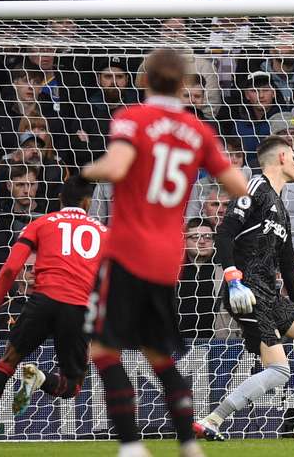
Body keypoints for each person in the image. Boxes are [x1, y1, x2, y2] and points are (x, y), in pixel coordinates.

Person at [80, 49, 250, 457]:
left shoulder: (131, 118)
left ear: (143, 82)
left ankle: (131, 444)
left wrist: (84, 173)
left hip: (127, 249)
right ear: (182, 85)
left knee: (103, 349)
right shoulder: (198, 130)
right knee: (159, 353)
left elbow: (118, 166)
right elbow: (239, 187)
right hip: (168, 256)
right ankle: (189, 443)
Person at [194, 136, 294, 441]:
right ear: (281, 159)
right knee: (280, 371)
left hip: (269, 293)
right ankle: (212, 419)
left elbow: (288, 267)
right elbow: (224, 234)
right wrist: (232, 278)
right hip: (246, 291)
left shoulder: (282, 209)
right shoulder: (255, 189)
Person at [0, 177, 103, 448]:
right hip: (78, 308)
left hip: (42, 302)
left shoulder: (40, 223)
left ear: (59, 201)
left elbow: (11, 269)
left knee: (6, 363)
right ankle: (42, 379)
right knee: (72, 387)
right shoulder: (104, 233)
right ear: (88, 202)